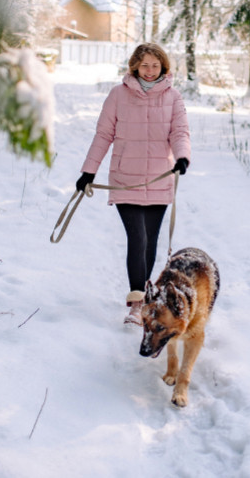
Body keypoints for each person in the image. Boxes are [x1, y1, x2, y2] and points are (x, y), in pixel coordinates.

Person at [76, 43, 191, 326]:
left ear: (163, 67)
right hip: (125, 179)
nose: (150, 71)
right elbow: (104, 134)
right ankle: (137, 303)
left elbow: (180, 131)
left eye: (155, 65)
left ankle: (145, 297)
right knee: (137, 238)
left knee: (150, 241)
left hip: (159, 178)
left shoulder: (173, 97)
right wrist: (89, 171)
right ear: (134, 67)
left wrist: (182, 157)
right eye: (144, 65)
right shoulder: (118, 95)